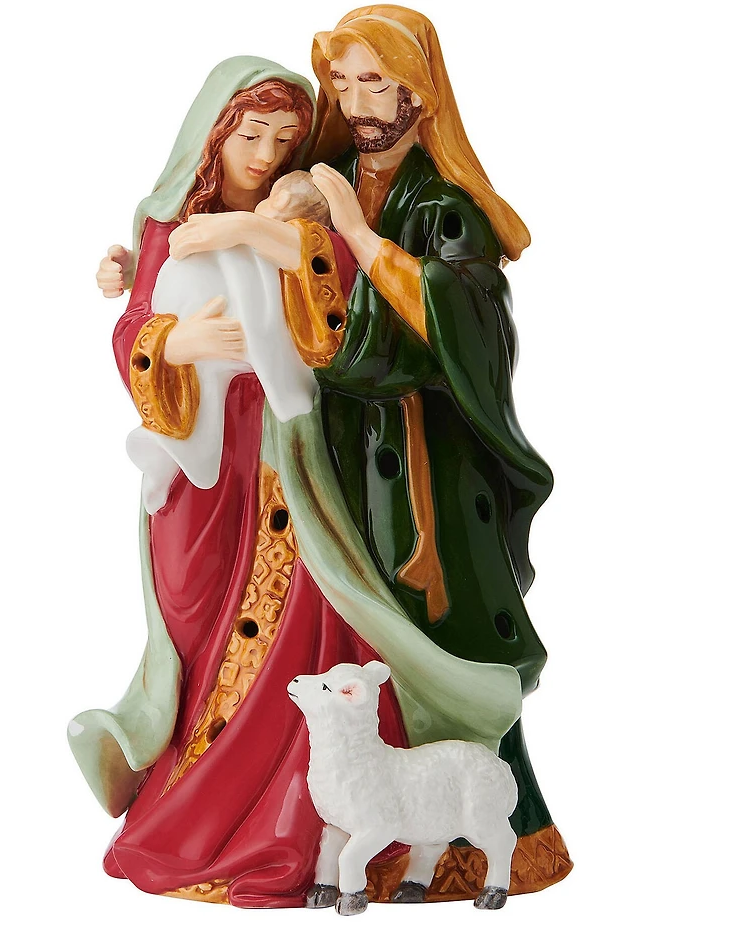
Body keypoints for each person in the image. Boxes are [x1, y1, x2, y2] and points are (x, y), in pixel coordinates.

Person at [71, 54, 524, 908]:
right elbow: (135, 323)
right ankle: (186, 789)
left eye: (283, 139)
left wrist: (251, 236)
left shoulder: (300, 207)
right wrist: (174, 342)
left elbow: (338, 296)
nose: (264, 154)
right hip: (200, 459)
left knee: (298, 616)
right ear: (213, 136)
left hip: (287, 452)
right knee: (196, 613)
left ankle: (296, 813)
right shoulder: (168, 222)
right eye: (250, 135)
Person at [286, 4, 571, 898]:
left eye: (375, 82)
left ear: (419, 92)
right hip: (333, 449)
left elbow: (464, 326)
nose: (356, 103)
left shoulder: (446, 208)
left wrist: (356, 231)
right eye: (342, 83)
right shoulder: (321, 174)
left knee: (439, 637)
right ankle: (323, 829)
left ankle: (497, 834)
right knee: (335, 622)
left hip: (427, 465)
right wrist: (141, 258)